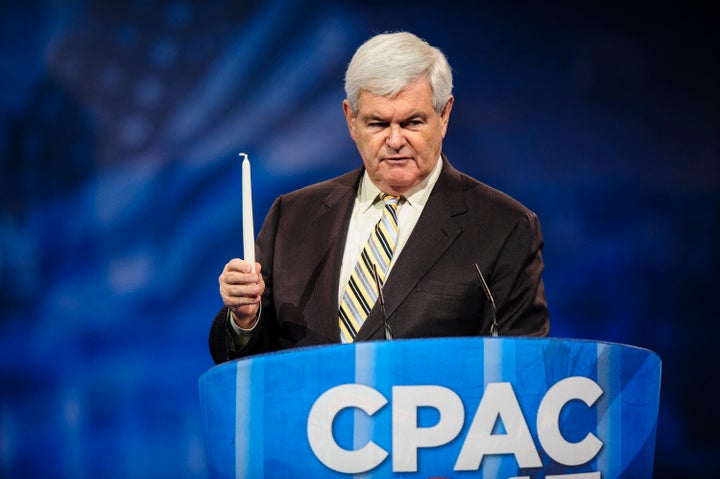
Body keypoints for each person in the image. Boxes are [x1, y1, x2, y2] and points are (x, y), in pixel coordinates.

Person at [209, 31, 549, 364]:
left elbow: (523, 369)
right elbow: (244, 363)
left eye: (412, 122)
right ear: (351, 120)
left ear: (443, 116)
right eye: (378, 124)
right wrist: (244, 320)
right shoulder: (293, 216)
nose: (396, 140)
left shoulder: (505, 227)